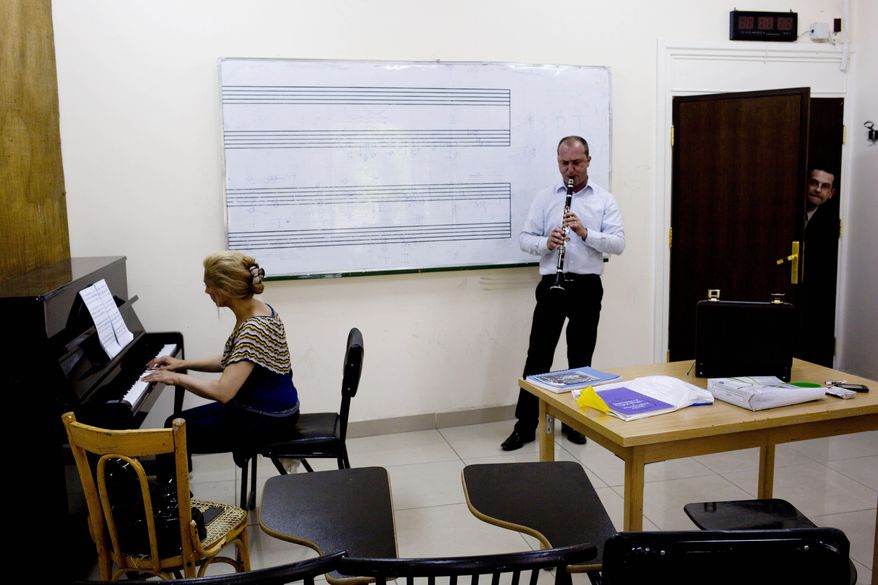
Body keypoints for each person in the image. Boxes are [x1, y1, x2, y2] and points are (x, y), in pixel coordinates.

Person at [501, 136, 625, 451]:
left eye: (576, 163)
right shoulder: (545, 199)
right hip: (552, 286)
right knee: (538, 357)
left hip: (587, 286)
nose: (570, 170)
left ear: (588, 160)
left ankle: (575, 423)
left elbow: (618, 244)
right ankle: (525, 425)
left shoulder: (604, 200)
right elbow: (525, 239)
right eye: (564, 163)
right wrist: (547, 243)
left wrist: (585, 233)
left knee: (580, 359)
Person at [142, 251, 300, 462]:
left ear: (226, 290)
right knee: (175, 422)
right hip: (272, 408)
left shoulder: (253, 328)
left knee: (173, 432)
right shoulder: (260, 309)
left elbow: (223, 392)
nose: (206, 291)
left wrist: (175, 378)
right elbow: (234, 359)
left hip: (268, 418)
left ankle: (173, 494)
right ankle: (176, 491)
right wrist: (182, 363)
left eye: (209, 285)